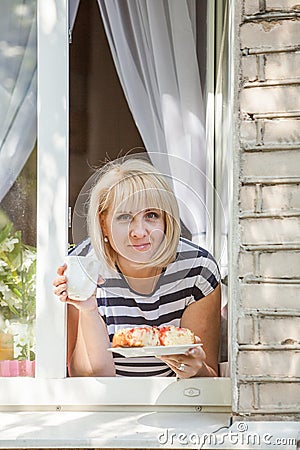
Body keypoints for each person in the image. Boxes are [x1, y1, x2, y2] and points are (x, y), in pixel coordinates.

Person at [53, 157, 221, 378]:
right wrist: (88, 309)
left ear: (166, 220)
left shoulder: (197, 269)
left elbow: (209, 383)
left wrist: (195, 369)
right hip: (107, 407)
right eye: (124, 217)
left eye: (151, 215)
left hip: (178, 404)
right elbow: (88, 378)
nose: (139, 232)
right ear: (103, 223)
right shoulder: (82, 265)